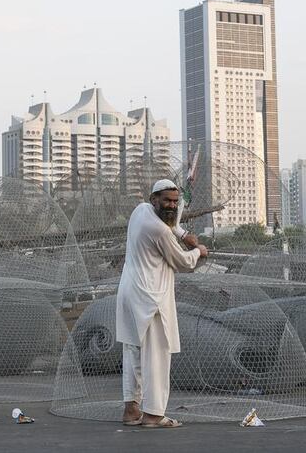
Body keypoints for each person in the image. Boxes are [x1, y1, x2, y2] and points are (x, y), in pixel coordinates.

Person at [115, 179, 208, 428]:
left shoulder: (140, 211)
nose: (172, 205)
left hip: (129, 291)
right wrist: (199, 250)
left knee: (133, 352)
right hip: (150, 298)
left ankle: (131, 410)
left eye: (176, 201)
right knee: (156, 355)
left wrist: (183, 232)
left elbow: (171, 224)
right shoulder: (159, 231)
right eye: (167, 200)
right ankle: (154, 415)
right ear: (154, 199)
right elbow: (182, 262)